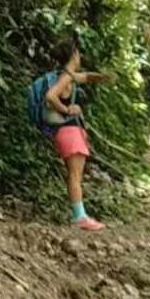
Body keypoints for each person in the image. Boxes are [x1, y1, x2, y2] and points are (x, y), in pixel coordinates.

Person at [41, 39, 110, 231]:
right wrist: (67, 109)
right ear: (73, 55)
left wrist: (103, 77)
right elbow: (50, 96)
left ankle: (80, 214)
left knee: (75, 175)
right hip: (69, 131)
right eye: (78, 53)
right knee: (75, 175)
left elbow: (85, 77)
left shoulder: (67, 75)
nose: (80, 56)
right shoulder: (65, 77)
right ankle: (79, 216)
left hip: (69, 131)